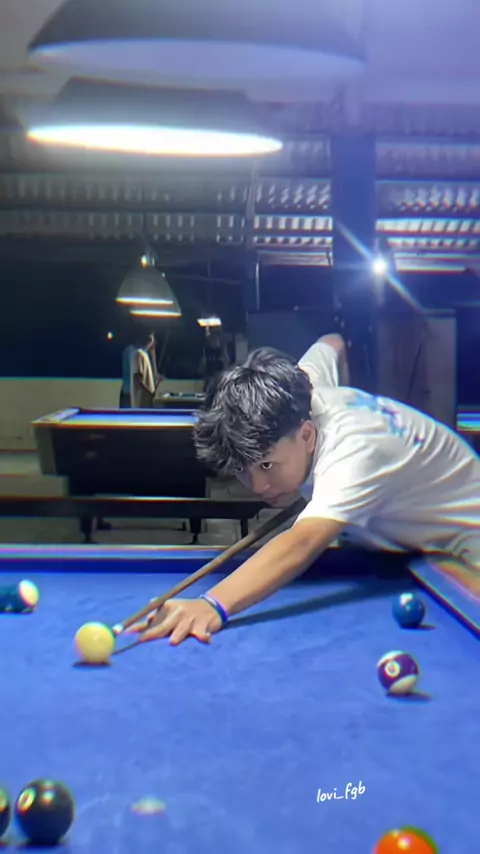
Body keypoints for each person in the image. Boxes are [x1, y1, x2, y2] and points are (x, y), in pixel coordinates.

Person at [128, 333, 480, 645]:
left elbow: (302, 542)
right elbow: (333, 342)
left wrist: (212, 604)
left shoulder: (352, 450)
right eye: (242, 470)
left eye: (267, 465)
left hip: (467, 537)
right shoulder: (296, 387)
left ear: (308, 435)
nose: (259, 486)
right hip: (410, 538)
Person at [120, 333, 160, 408]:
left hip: (126, 390)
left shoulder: (129, 351)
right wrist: (149, 392)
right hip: (132, 393)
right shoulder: (138, 353)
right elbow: (137, 376)